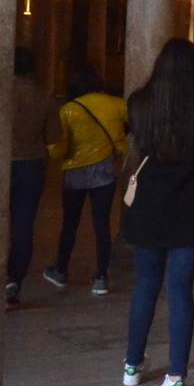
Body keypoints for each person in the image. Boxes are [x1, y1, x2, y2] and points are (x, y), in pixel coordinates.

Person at [119, 40, 194, 386]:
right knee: (180, 288)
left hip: (150, 206)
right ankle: (176, 378)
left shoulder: (139, 102)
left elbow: (135, 136)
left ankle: (132, 366)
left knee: (145, 284)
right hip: (191, 205)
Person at [45, 62, 128, 295]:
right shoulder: (115, 104)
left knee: (69, 224)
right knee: (102, 226)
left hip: (75, 174)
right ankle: (101, 277)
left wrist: (52, 151)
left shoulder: (68, 110)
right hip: (104, 172)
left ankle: (61, 270)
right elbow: (133, 119)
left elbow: (59, 149)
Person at [6, 48, 59, 306]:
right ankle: (14, 280)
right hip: (32, 165)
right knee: (23, 226)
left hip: (2, 163)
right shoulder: (44, 96)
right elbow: (53, 137)